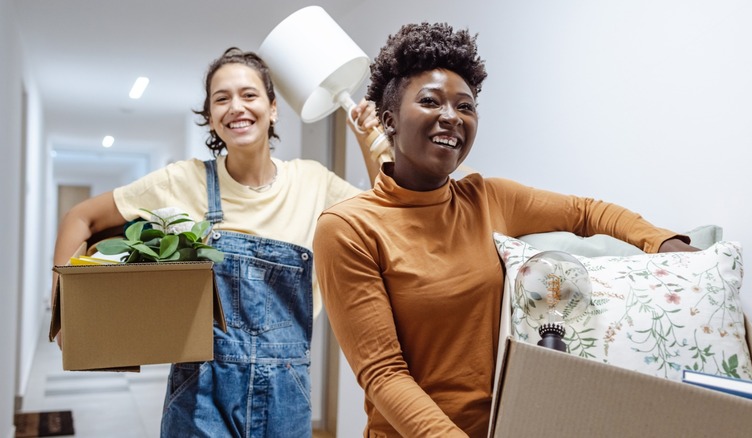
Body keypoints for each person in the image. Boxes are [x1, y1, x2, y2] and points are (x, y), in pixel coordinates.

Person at [312, 23, 698, 437]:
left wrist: (663, 242)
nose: (451, 117)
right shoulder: (348, 228)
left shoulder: (488, 198)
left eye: (465, 107)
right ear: (388, 120)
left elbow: (586, 212)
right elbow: (384, 374)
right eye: (430, 102)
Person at [51, 47, 381, 437]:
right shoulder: (182, 181)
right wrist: (66, 318)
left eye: (249, 95)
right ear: (210, 118)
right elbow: (80, 218)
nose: (236, 107)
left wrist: (368, 141)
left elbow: (386, 218)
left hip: (286, 394)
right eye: (221, 99)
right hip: (200, 393)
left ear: (273, 108)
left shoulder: (313, 182)